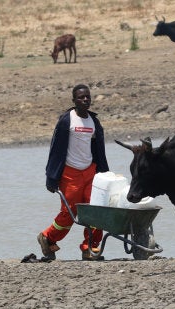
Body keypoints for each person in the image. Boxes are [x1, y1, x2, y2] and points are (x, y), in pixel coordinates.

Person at [37, 84, 110, 261]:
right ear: (74, 101)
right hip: (70, 174)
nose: (85, 100)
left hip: (90, 172)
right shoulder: (66, 121)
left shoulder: (94, 122)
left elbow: (99, 149)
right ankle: (48, 238)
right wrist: (51, 177)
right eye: (81, 97)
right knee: (69, 214)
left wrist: (104, 174)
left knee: (95, 211)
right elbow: (56, 149)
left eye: (87, 97)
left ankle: (90, 248)